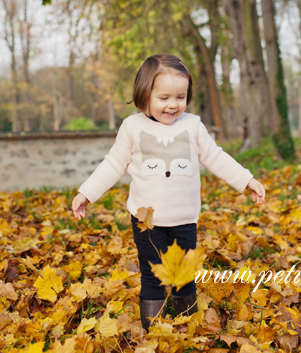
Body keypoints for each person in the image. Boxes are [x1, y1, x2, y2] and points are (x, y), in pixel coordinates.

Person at [71, 53, 266, 331]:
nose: (173, 105)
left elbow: (215, 157)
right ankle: (152, 330)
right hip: (146, 220)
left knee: (184, 274)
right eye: (164, 98)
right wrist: (86, 193)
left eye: (180, 97)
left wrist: (246, 180)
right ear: (144, 95)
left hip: (184, 218)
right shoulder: (132, 127)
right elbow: (113, 164)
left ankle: (186, 323)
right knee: (153, 276)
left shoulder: (192, 125)